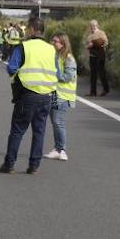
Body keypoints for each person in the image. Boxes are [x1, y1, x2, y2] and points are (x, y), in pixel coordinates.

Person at [0, 16, 59, 175]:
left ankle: (9, 164)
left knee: (17, 130)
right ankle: (34, 166)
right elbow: (57, 72)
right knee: (39, 131)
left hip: (27, 94)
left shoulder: (23, 46)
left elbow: (11, 68)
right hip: (46, 95)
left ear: (31, 29)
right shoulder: (51, 49)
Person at [45, 33, 76, 162]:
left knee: (59, 122)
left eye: (56, 41)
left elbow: (68, 76)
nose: (53, 43)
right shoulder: (56, 56)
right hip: (54, 94)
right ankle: (57, 148)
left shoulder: (68, 58)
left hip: (63, 96)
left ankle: (61, 150)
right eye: (52, 40)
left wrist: (55, 74)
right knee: (55, 122)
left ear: (63, 43)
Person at [86, 19, 109, 96]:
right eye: (91, 26)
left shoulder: (101, 33)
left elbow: (105, 42)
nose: (92, 27)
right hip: (92, 55)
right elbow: (87, 45)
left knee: (101, 73)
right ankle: (93, 91)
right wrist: (88, 47)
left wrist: (96, 43)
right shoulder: (89, 35)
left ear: (97, 26)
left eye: (93, 26)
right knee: (93, 74)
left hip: (100, 55)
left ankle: (106, 89)